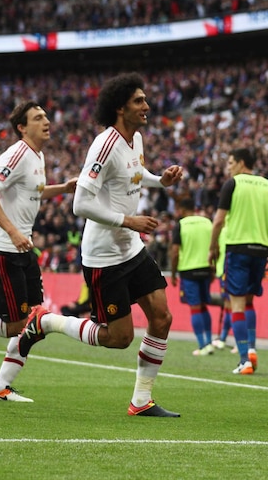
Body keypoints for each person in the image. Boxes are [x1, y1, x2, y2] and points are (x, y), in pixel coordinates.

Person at [17, 72, 184, 417]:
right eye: (139, 101)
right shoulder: (103, 145)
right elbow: (81, 203)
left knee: (162, 317)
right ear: (120, 107)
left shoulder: (135, 139)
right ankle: (48, 322)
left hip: (132, 248)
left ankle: (141, 401)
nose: (147, 106)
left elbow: (135, 175)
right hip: (104, 256)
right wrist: (129, 220)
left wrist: (160, 181)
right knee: (118, 337)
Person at [0, 102, 76, 402]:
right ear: (22, 128)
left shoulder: (37, 156)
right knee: (17, 324)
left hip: (23, 247)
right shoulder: (16, 154)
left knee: (35, 321)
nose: (46, 121)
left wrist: (63, 188)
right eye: (37, 118)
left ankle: (0, 388)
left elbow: (34, 192)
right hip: (3, 247)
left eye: (46, 116)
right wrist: (13, 231)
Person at [208, 147, 268, 375]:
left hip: (238, 248)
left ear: (241, 162)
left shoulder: (233, 184)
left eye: (231, 162)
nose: (228, 167)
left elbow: (219, 220)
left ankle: (245, 361)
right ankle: (251, 348)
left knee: (237, 304)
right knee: (249, 302)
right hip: (262, 250)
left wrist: (212, 248)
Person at [170, 197, 215, 356]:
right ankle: (209, 342)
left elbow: (175, 252)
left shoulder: (180, 225)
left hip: (188, 270)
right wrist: (214, 269)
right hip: (206, 269)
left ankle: (202, 346)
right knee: (203, 306)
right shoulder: (207, 222)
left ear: (182, 210)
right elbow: (214, 245)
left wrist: (174, 274)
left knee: (194, 307)